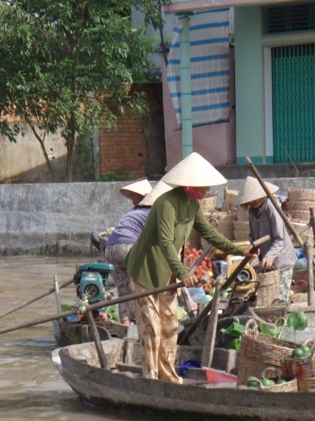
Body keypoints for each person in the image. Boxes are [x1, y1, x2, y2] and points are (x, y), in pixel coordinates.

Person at [124, 152, 252, 384]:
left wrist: (238, 250)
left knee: (170, 326)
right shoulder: (166, 203)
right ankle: (151, 378)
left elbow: (209, 233)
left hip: (167, 274)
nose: (207, 190)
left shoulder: (193, 205)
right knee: (152, 328)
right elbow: (165, 241)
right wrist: (184, 272)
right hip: (145, 271)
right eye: (203, 186)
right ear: (190, 186)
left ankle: (168, 375)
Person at [104, 181, 172, 325]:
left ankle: (125, 324)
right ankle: (147, 322)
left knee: (123, 289)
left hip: (109, 248)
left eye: (134, 196)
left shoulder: (131, 213)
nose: (132, 200)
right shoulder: (152, 212)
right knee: (143, 285)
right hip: (128, 246)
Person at [237, 176, 297, 304]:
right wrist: (253, 249)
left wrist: (270, 256)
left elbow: (280, 239)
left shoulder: (271, 208)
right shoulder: (252, 211)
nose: (252, 202)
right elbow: (253, 236)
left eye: (253, 199)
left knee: (279, 300)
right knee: (267, 298)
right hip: (268, 262)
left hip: (282, 260)